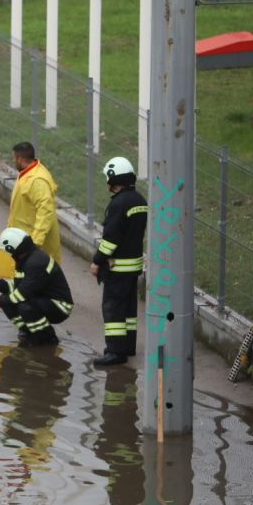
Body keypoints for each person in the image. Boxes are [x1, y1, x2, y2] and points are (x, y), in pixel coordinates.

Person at [89, 156, 148, 366]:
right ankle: (128, 346)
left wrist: (97, 260)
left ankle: (115, 352)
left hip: (117, 268)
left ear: (114, 178)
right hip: (133, 267)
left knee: (113, 309)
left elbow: (110, 239)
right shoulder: (140, 201)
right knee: (129, 310)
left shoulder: (118, 204)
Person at [0, 227, 73, 346]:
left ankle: (47, 339)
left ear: (12, 249)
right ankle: (29, 332)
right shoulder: (25, 259)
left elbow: (23, 292)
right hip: (42, 298)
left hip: (60, 306)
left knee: (24, 306)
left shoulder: (36, 262)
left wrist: (1, 301)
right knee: (8, 300)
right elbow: (18, 287)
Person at [0, 142, 60, 280]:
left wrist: (35, 242)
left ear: (20, 159)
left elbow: (45, 211)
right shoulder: (28, 173)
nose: (13, 161)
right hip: (22, 239)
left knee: (35, 279)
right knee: (22, 277)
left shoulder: (37, 180)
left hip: (31, 242)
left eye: (14, 158)